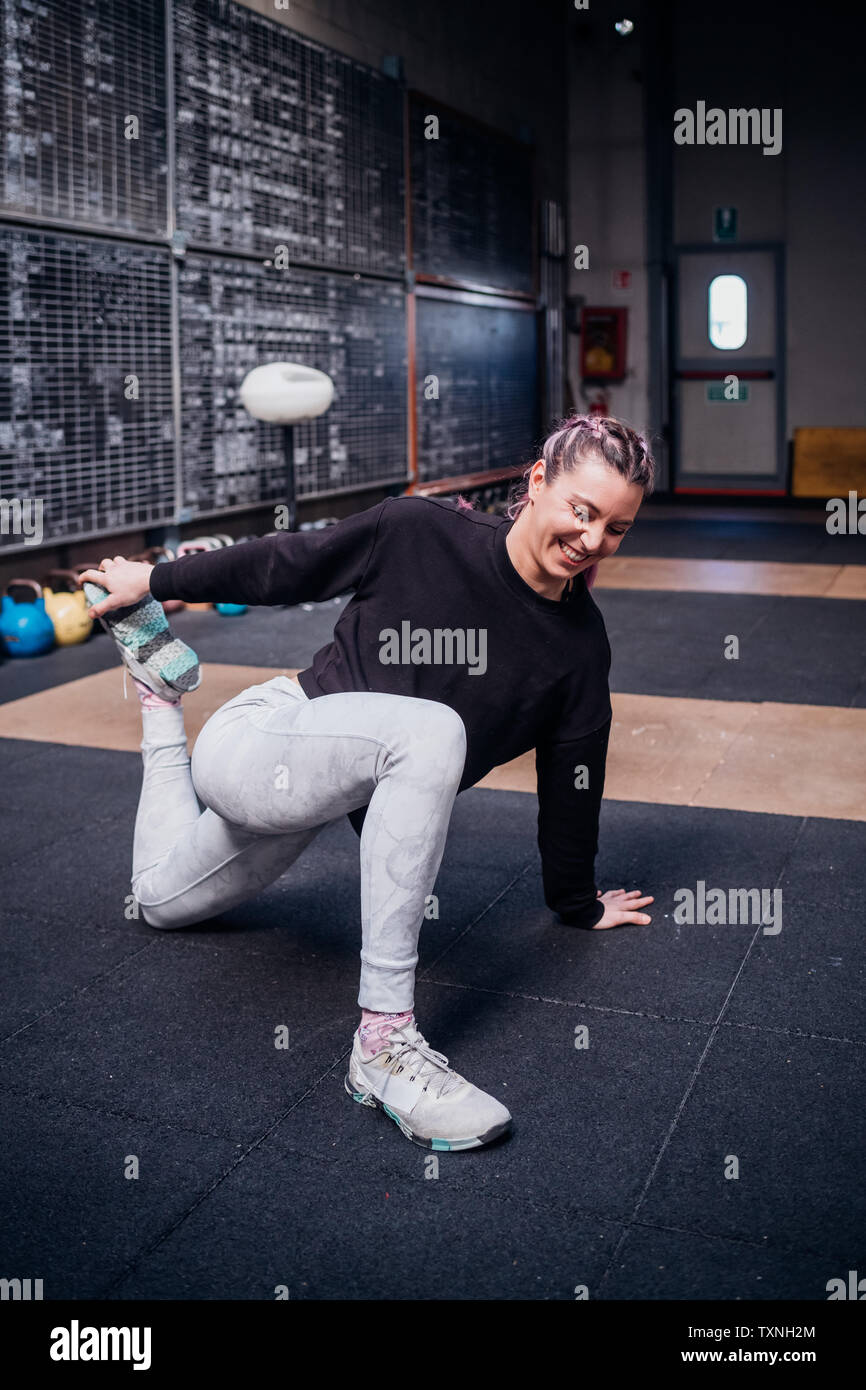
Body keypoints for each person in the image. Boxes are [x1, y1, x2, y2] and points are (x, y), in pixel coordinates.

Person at [78, 413, 655, 1152]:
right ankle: (383, 1045)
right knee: (433, 728)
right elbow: (290, 562)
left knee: (158, 903)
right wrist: (152, 579)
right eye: (583, 510)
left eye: (617, 528)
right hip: (261, 735)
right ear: (538, 483)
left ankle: (159, 699)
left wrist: (577, 903)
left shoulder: (579, 652)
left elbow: (574, 782)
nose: (593, 540)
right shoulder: (420, 530)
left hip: (304, 802)